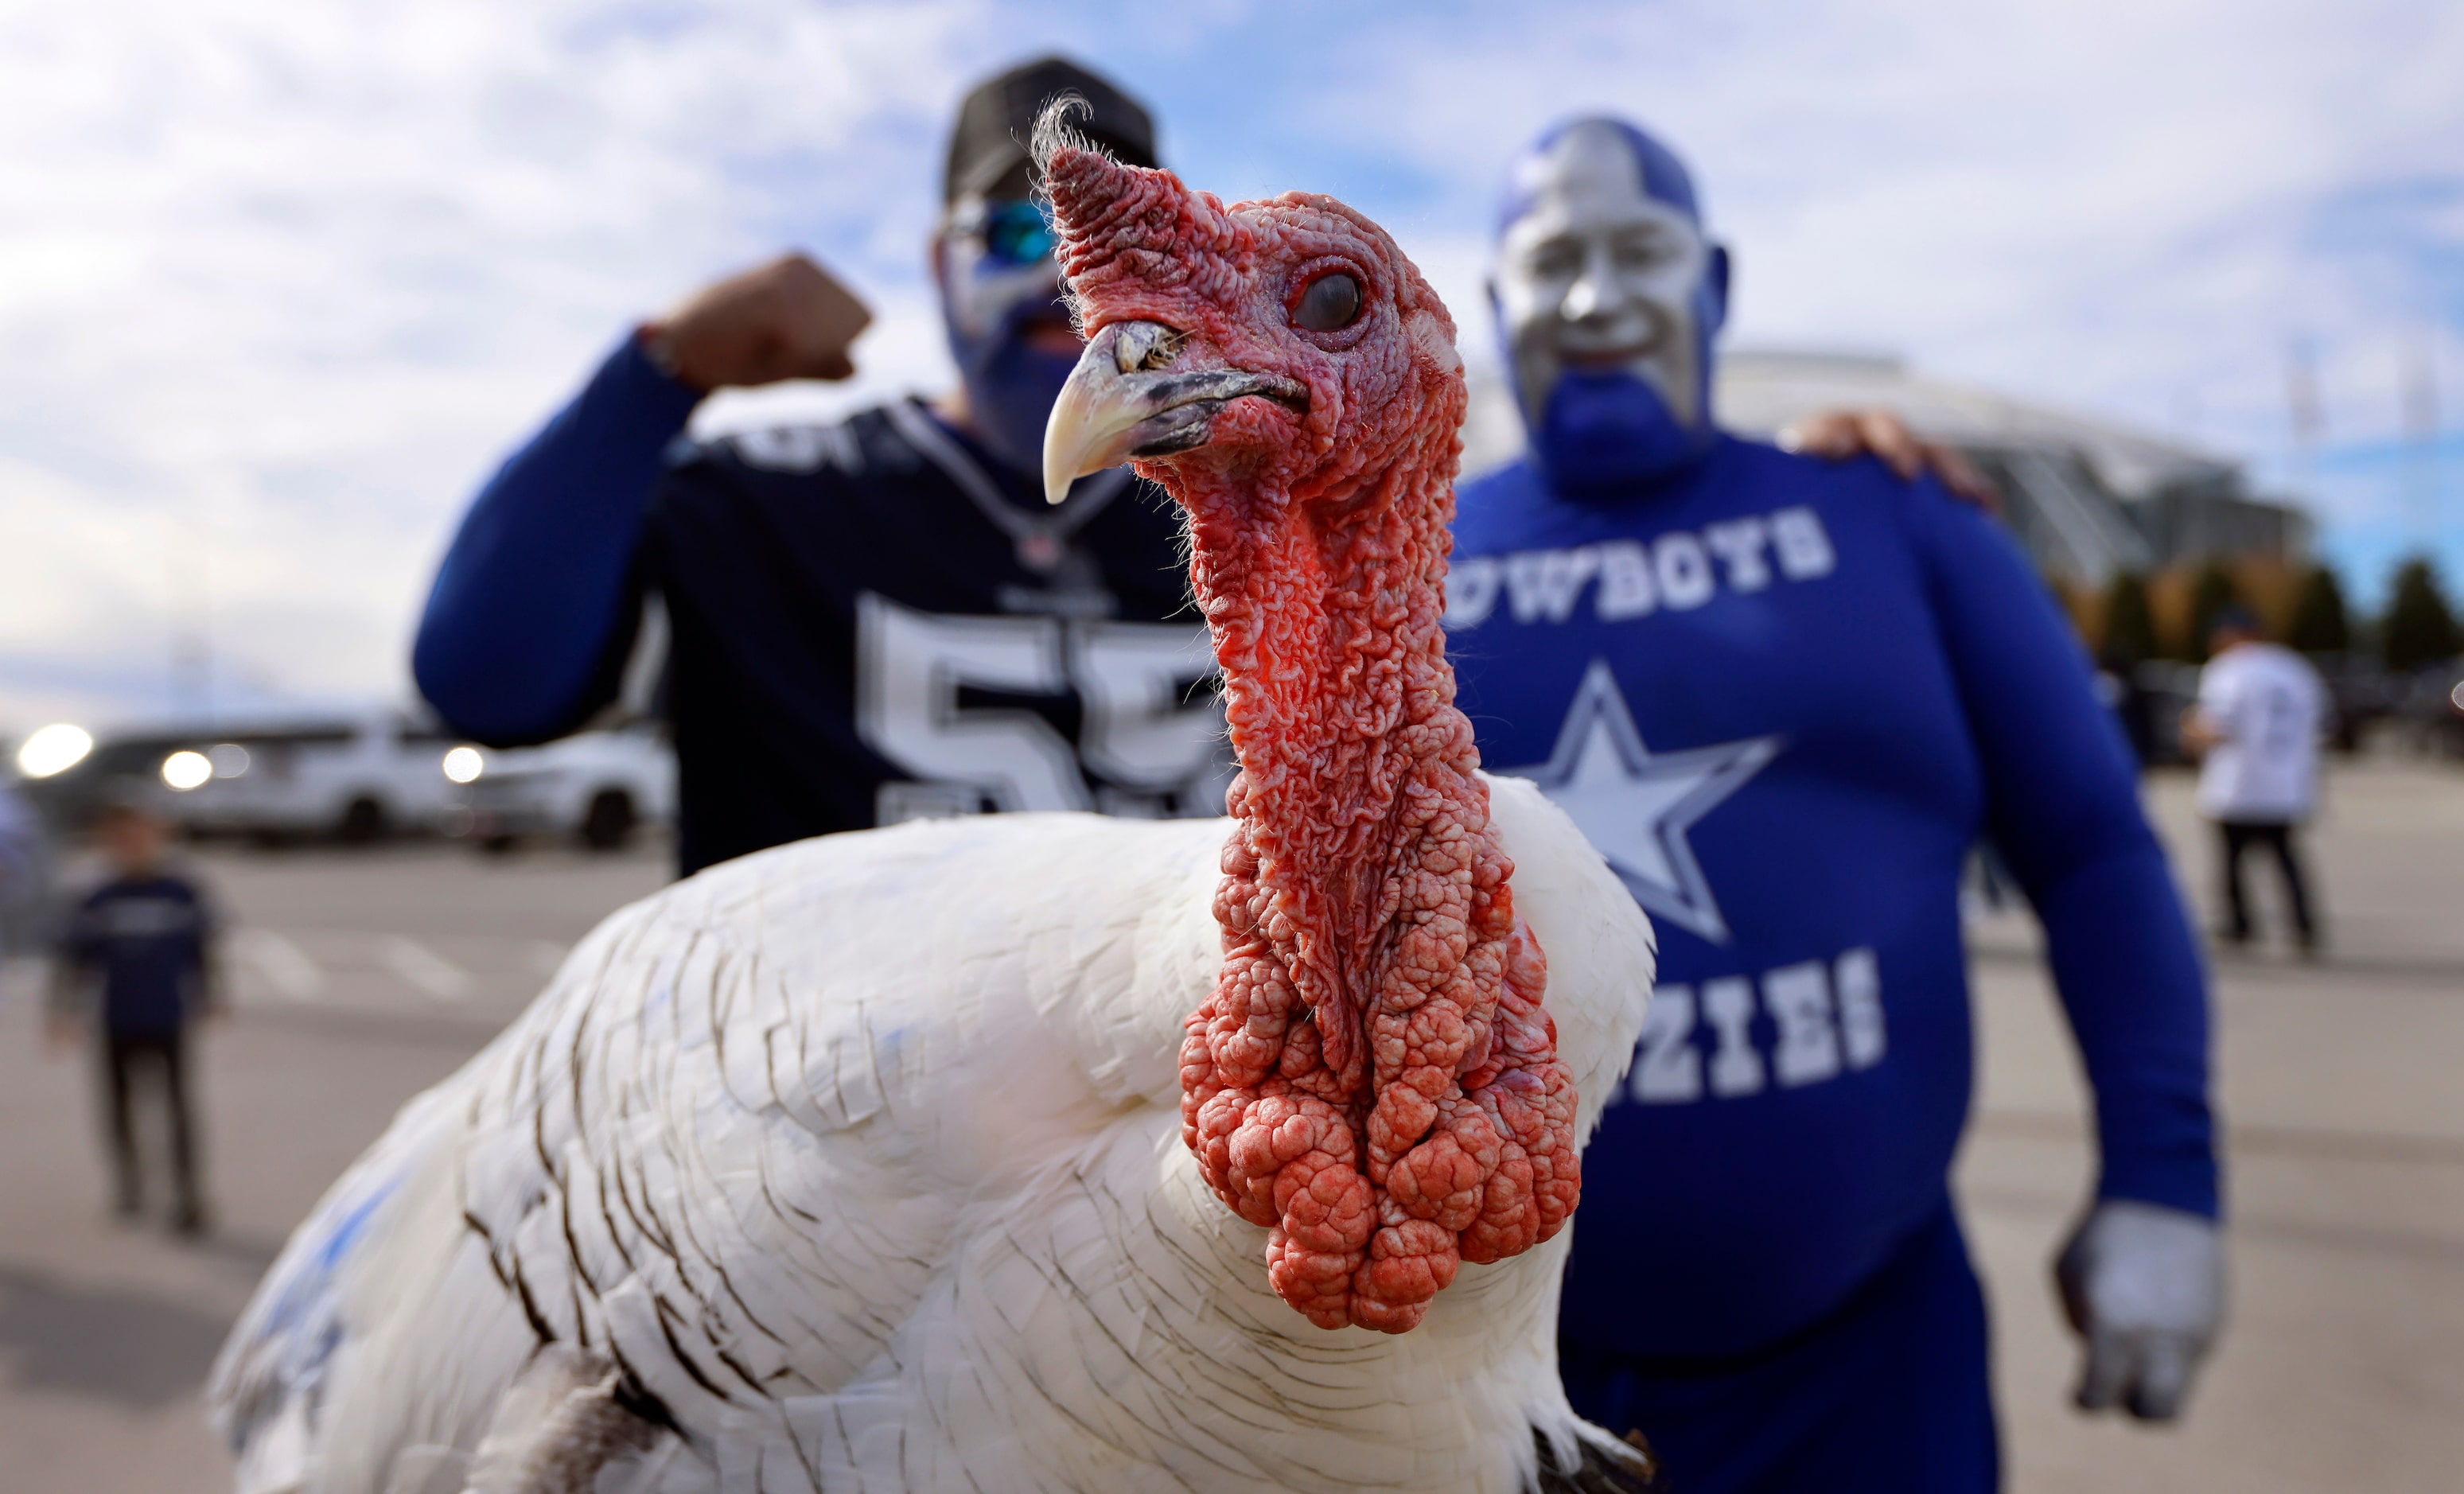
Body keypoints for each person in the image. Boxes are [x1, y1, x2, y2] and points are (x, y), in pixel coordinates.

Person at [413, 56, 1965, 879]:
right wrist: (658, 371)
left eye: (1117, 269)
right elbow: (488, 685)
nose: (1058, 291)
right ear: (934, 261)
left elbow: (1573, 617)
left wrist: (1777, 475)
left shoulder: (1292, 510)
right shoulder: (776, 501)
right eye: (1012, 237)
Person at [1442, 116, 2222, 1492]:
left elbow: (2093, 846)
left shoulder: (1898, 519)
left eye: (1642, 252)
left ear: (1716, 282)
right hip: (1482, 1397)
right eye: (1550, 260)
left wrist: (2166, 1174)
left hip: (1866, 1375)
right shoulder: (1407, 559)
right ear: (1493, 302)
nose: (1595, 295)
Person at [49, 800, 220, 1235]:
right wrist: (63, 1011)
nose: (132, 846)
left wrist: (210, 994)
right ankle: (130, 1183)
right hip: (117, 1019)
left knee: (178, 1109)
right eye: (120, 839)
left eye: (140, 836)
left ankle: (188, 1194)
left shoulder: (181, 892)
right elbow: (73, 958)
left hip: (166, 1017)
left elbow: (201, 948)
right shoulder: (98, 898)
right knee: (119, 1109)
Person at [2181, 605, 2326, 952]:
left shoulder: (2229, 669)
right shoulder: (2294, 668)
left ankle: (2240, 925)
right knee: (2286, 859)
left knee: (2232, 862)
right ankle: (2304, 925)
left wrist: (2190, 730)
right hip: (2286, 783)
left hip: (2239, 784)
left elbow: (2216, 728)